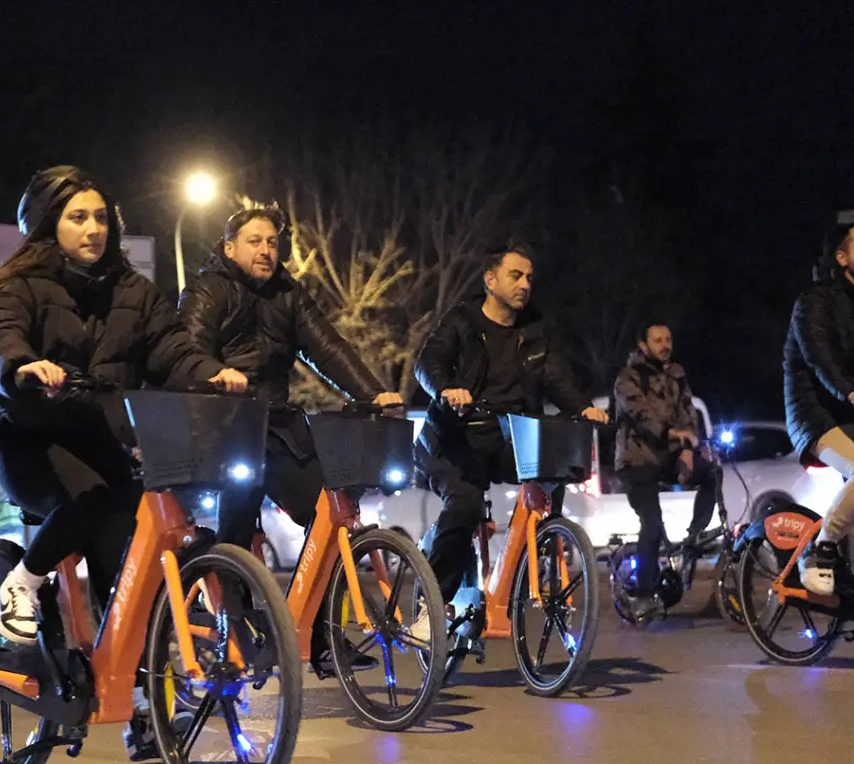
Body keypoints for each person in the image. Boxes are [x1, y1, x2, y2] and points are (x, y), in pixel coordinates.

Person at [0, 166, 247, 757]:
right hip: (33, 439)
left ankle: (141, 705)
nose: (93, 228)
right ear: (48, 223)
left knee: (125, 570)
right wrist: (22, 367)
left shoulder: (133, 291)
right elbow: (0, 336)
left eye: (101, 217)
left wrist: (211, 373)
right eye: (78, 217)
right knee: (92, 500)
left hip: (101, 441)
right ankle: (23, 583)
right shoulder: (17, 286)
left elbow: (172, 347)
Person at [178, 206, 405, 674]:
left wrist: (373, 393)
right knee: (235, 524)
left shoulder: (288, 293)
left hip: (278, 427)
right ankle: (235, 624)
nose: (266, 250)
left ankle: (320, 637)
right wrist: (215, 375)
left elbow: (329, 347)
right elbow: (189, 350)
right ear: (229, 248)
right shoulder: (207, 290)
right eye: (255, 241)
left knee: (326, 516)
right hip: (225, 424)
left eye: (272, 242)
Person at [414, 242, 608, 603]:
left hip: (507, 440)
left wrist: (583, 408)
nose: (525, 284)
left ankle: (534, 558)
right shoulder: (462, 321)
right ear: (490, 280)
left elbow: (558, 378)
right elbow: (428, 362)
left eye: (529, 278)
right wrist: (446, 390)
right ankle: (433, 604)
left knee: (553, 471)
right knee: (466, 506)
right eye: (515, 276)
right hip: (453, 440)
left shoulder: (535, 330)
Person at [613, 323, 718, 608]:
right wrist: (672, 434)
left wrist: (687, 450)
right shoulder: (628, 377)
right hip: (636, 459)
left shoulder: (677, 375)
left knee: (712, 473)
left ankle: (694, 537)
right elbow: (639, 414)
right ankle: (644, 594)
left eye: (668, 339)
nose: (665, 345)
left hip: (668, 457)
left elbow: (688, 415)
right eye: (657, 340)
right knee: (651, 521)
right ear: (643, 346)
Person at [785, 223, 854, 596]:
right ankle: (821, 549)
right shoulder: (814, 301)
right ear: (842, 258)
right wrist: (850, 391)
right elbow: (819, 355)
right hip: (815, 414)